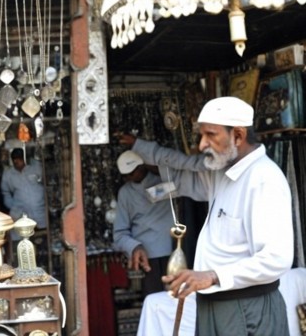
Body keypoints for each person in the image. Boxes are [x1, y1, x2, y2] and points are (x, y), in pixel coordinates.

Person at [120, 96, 293, 335]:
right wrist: (141, 150)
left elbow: (276, 259)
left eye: (211, 135)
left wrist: (212, 276)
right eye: (201, 135)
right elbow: (181, 172)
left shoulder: (264, 179)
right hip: (215, 303)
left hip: (246, 308)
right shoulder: (221, 173)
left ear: (238, 136)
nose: (202, 145)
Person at [113, 150, 175, 297]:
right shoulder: (125, 193)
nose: (129, 178)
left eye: (132, 173)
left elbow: (182, 184)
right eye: (125, 175)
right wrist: (134, 247)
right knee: (155, 300)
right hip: (147, 257)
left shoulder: (164, 182)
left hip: (173, 250)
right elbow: (119, 233)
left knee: (178, 299)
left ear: (142, 167)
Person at [0, 148, 47, 231]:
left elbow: (45, 182)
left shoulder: (35, 168)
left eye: (19, 159)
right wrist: (14, 207)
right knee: (23, 237)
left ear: (24, 158)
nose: (17, 161)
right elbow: (6, 193)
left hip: (40, 212)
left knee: (42, 235)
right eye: (15, 159)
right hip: (21, 215)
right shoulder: (8, 174)